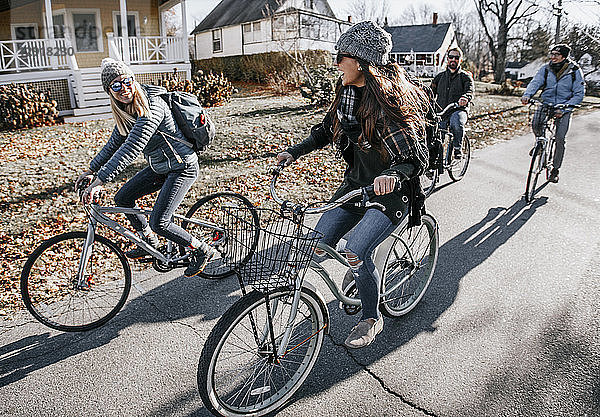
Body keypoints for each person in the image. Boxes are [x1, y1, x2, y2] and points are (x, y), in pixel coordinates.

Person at [277, 21, 429, 349]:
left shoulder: (385, 104)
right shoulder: (346, 95)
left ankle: (371, 317)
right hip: (355, 186)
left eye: (341, 57)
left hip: (391, 193)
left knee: (355, 250)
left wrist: (394, 175)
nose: (336, 63)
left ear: (359, 61)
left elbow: (415, 158)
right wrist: (293, 151)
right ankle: (322, 290)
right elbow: (323, 130)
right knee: (312, 246)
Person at [75, 58, 213, 277]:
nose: (124, 88)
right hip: (160, 167)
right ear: (109, 91)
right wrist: (91, 170)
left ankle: (201, 249)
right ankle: (149, 241)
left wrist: (100, 180)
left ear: (134, 80)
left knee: (160, 222)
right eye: (116, 85)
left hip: (182, 166)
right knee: (122, 198)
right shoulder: (125, 110)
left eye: (127, 81)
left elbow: (132, 146)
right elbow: (115, 144)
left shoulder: (152, 106)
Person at [520, 44, 585, 183]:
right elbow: (535, 82)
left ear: (564, 56)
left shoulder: (574, 71)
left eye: (556, 54)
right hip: (546, 102)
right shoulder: (545, 68)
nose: (553, 57)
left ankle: (555, 169)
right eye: (552, 54)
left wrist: (566, 108)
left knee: (560, 138)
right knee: (536, 123)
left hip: (565, 106)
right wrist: (527, 95)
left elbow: (579, 93)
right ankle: (540, 144)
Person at [430, 47, 474, 159]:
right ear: (447, 59)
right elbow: (430, 92)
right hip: (442, 111)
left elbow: (470, 90)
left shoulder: (465, 77)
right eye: (451, 57)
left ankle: (458, 149)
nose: (453, 59)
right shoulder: (439, 77)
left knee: (456, 122)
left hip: (458, 110)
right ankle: (434, 160)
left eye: (456, 57)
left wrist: (465, 97)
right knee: (435, 134)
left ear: (461, 60)